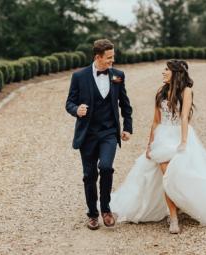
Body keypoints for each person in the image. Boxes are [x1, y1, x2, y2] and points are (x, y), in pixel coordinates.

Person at [110, 59, 206, 234]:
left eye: (166, 70)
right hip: (162, 138)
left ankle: (182, 205)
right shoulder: (160, 92)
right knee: (167, 175)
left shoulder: (186, 91)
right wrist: (150, 145)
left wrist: (184, 142)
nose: (163, 72)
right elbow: (156, 121)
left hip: (179, 135)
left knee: (181, 176)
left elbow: (185, 117)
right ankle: (173, 217)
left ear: (176, 72)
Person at [65, 39, 133, 230]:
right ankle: (92, 214)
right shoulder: (79, 76)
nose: (112, 61)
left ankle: (105, 209)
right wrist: (76, 109)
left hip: (109, 132)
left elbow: (125, 105)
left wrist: (127, 127)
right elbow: (69, 102)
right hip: (87, 134)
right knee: (89, 175)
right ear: (98, 57)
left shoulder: (118, 76)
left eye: (113, 57)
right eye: (109, 58)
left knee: (106, 167)